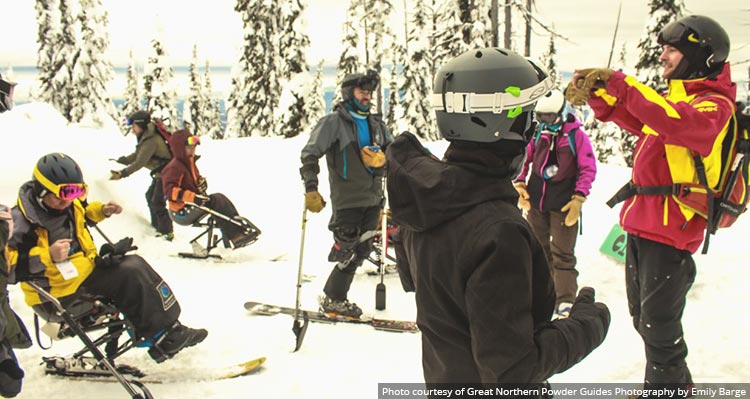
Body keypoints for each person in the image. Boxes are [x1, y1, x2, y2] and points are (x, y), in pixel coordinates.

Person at [386, 47, 610, 385]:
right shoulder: (498, 231)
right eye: (526, 118)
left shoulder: (425, 201)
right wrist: (584, 327)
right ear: (498, 123)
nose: (531, 129)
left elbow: (427, 290)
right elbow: (512, 370)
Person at [566, 15, 735, 389]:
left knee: (658, 321)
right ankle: (672, 385)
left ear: (699, 55)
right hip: (644, 221)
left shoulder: (713, 107)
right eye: (663, 49)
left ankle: (668, 391)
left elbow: (672, 121)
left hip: (673, 226)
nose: (663, 56)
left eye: (672, 50)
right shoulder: (680, 104)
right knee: (644, 317)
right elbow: (643, 121)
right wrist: (601, 96)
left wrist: (620, 83)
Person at [6, 153, 207, 364]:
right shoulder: (20, 221)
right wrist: (48, 255)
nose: (66, 202)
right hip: (55, 296)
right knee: (128, 273)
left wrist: (103, 211)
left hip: (81, 276)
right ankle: (161, 337)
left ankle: (168, 330)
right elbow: (7, 266)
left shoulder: (68, 206)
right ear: (40, 192)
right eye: (60, 196)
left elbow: (82, 212)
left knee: (135, 264)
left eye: (73, 194)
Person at [299, 69, 394, 318]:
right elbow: (310, 154)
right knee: (349, 246)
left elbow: (395, 152)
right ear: (348, 92)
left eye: (369, 92)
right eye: (362, 91)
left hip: (374, 198)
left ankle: (334, 298)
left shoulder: (377, 124)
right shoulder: (333, 123)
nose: (367, 96)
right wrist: (311, 187)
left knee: (362, 249)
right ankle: (334, 295)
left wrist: (387, 160)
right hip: (348, 199)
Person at [513, 89, 597, 319]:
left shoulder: (575, 136)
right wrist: (520, 184)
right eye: (539, 117)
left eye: (548, 117)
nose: (543, 122)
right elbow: (524, 159)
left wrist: (579, 197)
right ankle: (542, 293)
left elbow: (588, 167)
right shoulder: (539, 134)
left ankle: (565, 298)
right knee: (538, 250)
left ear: (560, 113)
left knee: (562, 252)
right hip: (537, 199)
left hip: (564, 203)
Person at [161, 129, 260, 248]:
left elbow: (193, 181)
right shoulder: (174, 167)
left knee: (220, 198)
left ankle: (238, 230)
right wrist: (193, 198)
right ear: (180, 148)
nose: (192, 149)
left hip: (191, 204)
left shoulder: (189, 162)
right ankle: (236, 235)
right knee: (216, 201)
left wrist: (201, 182)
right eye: (189, 147)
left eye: (194, 147)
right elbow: (170, 192)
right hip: (180, 212)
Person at [111, 110, 174, 241]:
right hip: (161, 173)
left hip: (166, 174)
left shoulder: (151, 140)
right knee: (150, 196)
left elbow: (140, 161)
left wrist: (123, 173)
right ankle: (157, 227)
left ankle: (167, 232)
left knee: (157, 202)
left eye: (134, 126)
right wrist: (123, 160)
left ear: (141, 125)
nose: (132, 129)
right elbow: (138, 154)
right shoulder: (147, 137)